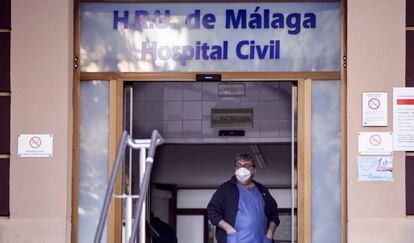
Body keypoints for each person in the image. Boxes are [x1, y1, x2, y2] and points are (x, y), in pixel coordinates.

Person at [207, 153, 280, 243]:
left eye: (246, 166)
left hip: (261, 240)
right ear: (235, 169)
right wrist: (229, 230)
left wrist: (270, 233)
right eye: (239, 166)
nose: (242, 169)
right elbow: (212, 210)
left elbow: (274, 214)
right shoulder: (226, 189)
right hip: (234, 240)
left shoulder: (262, 190)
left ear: (253, 170)